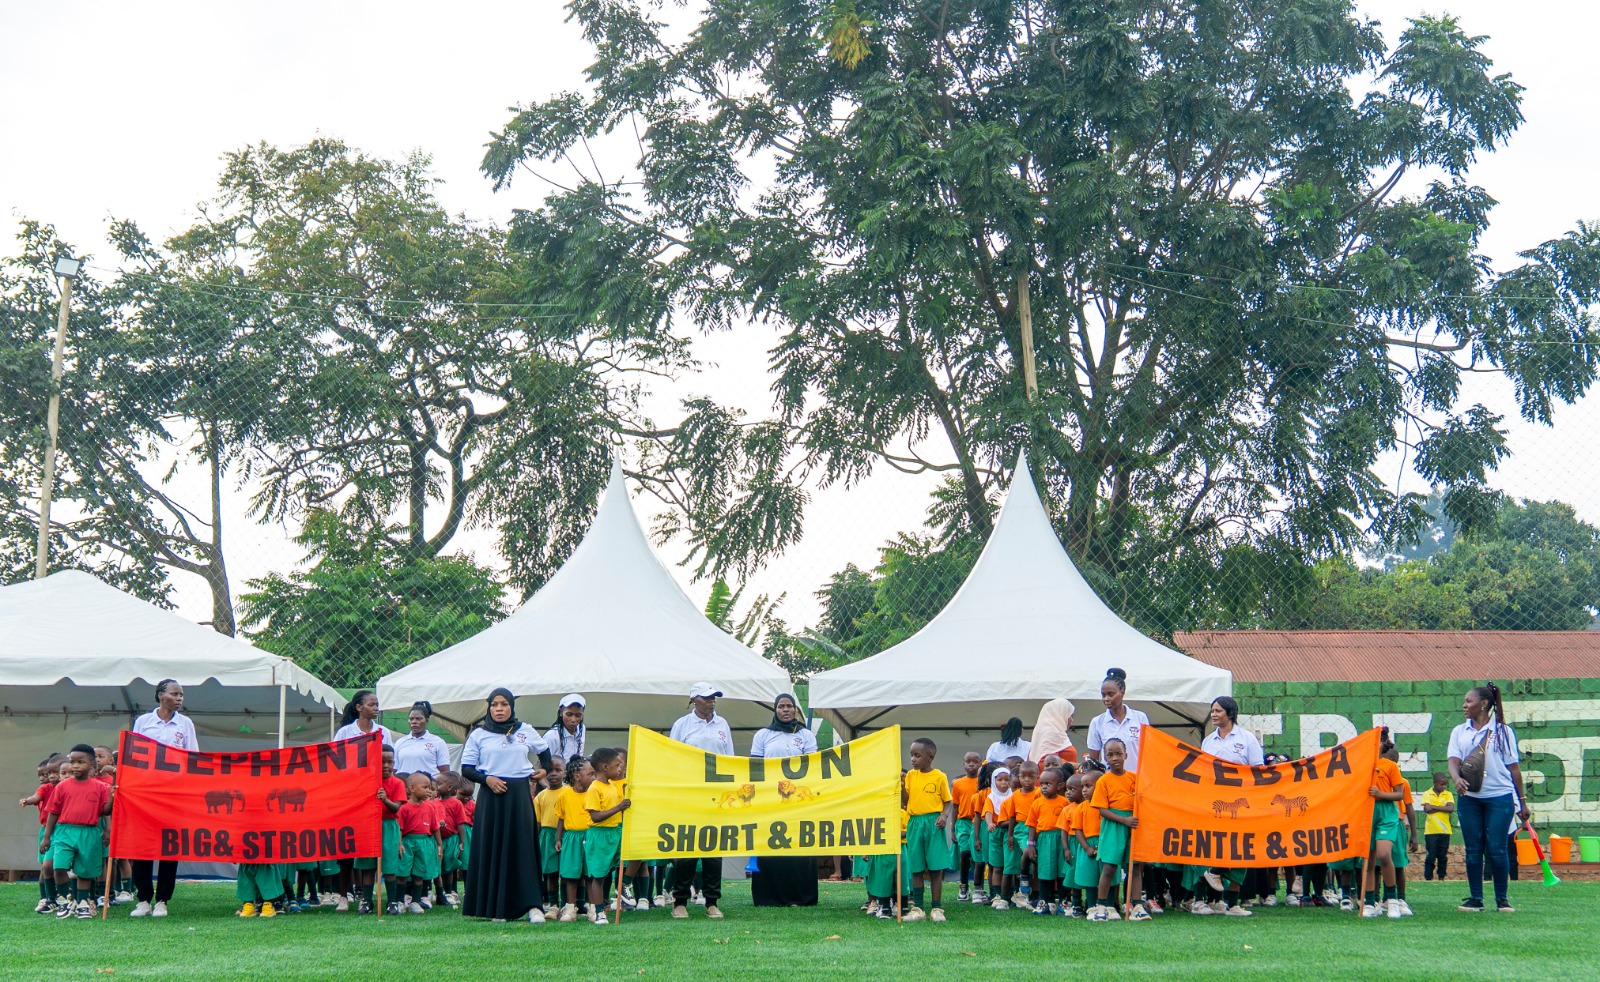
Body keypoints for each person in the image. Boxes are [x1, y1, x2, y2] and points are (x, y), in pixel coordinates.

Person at [459, 688, 552, 924]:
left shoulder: (525, 730)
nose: (499, 709)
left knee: (523, 847)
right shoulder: (479, 734)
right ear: (489, 707)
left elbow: (545, 753)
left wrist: (545, 769)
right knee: (492, 846)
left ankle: (533, 906)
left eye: (504, 704)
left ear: (512, 706)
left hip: (520, 794)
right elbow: (467, 768)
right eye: (494, 705)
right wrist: (487, 780)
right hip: (491, 796)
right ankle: (495, 907)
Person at [1448, 682, 1529, 914]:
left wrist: (1522, 801)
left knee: (1497, 849)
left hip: (1499, 797)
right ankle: (1475, 899)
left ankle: (1502, 900)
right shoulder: (1459, 731)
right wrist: (1456, 779)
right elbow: (1453, 761)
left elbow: (1514, 769)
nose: (1464, 705)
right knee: (1473, 849)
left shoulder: (1503, 731)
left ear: (1483, 704)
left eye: (1469, 701)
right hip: (1469, 797)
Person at [129, 679, 199, 918]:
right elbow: (134, 754)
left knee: (170, 845)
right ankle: (143, 899)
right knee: (143, 845)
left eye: (182, 695)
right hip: (145, 791)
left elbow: (192, 757)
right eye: (175, 694)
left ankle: (162, 900)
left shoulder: (185, 723)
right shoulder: (143, 722)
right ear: (160, 695)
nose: (179, 698)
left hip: (173, 793)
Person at [667, 682, 734, 919]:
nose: (712, 700)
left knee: (714, 851)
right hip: (689, 795)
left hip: (714, 796)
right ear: (694, 699)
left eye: (714, 696)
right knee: (687, 850)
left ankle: (712, 901)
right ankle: (680, 902)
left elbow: (729, 760)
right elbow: (673, 759)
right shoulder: (682, 725)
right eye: (707, 697)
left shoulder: (722, 723)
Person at [748, 692, 821, 907]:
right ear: (775, 710)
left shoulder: (806, 735)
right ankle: (769, 897)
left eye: (790, 706)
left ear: (796, 710)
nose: (786, 710)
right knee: (771, 846)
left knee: (798, 847)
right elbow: (755, 767)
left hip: (798, 800)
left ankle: (801, 897)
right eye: (781, 706)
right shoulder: (763, 735)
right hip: (770, 799)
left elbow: (813, 765)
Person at [1199, 695, 1262, 916]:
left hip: (1239, 802)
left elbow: (1257, 770)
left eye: (1218, 711)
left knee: (1240, 849)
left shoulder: (1246, 739)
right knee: (1216, 845)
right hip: (1216, 803)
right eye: (1212, 711)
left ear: (1230, 714)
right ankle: (1214, 900)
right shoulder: (1208, 741)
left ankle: (1233, 903)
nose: (1214, 715)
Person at [42, 745, 113, 920]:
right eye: (72, 762)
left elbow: (105, 811)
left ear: (91, 765)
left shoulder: (100, 787)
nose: (75, 766)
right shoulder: (62, 786)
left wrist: (113, 796)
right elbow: (53, 812)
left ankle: (82, 904)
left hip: (89, 832)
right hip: (65, 832)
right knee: (59, 867)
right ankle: (65, 901)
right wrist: (46, 837)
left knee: (85, 871)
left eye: (81, 762)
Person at [899, 737, 955, 922]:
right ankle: (918, 909)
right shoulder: (910, 776)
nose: (913, 759)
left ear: (930, 757)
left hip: (933, 823)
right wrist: (900, 787)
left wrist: (944, 816)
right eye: (911, 755)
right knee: (916, 867)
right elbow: (906, 802)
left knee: (935, 868)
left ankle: (937, 908)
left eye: (917, 755)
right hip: (914, 822)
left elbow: (948, 802)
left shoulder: (939, 776)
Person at [351, 747, 404, 913]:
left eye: (390, 762)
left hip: (388, 827)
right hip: (369, 826)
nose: (386, 765)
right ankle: (367, 902)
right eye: (382, 762)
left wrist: (384, 799)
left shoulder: (398, 783)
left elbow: (396, 808)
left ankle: (392, 902)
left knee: (389, 868)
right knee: (368, 867)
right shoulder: (367, 781)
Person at [584, 747, 630, 925]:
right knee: (599, 875)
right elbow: (595, 816)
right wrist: (619, 807)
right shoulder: (595, 788)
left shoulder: (611, 785)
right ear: (604, 767)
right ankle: (599, 911)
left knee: (615, 869)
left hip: (615, 831)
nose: (620, 769)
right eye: (617, 766)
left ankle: (622, 891)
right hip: (600, 835)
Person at [1363, 727, 1405, 919]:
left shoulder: (1390, 766)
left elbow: (1399, 793)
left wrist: (1380, 795)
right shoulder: (1360, 765)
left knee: (1384, 854)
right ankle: (1370, 903)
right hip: (1366, 813)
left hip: (1386, 812)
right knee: (1368, 860)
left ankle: (1393, 901)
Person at [394, 773, 443, 914]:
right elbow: (400, 829)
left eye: (430, 788)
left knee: (419, 874)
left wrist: (439, 845)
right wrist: (399, 844)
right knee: (403, 874)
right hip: (408, 843)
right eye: (425, 787)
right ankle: (399, 901)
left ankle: (416, 901)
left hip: (425, 844)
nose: (429, 791)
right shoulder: (404, 807)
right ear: (412, 788)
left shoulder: (430, 808)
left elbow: (435, 828)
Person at [1085, 668, 1151, 773]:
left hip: (1135, 781)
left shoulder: (1140, 718)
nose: (1106, 699)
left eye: (1111, 694)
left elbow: (1148, 753)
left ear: (1122, 693)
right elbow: (1094, 761)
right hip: (1110, 783)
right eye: (1103, 695)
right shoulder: (1097, 722)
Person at [1023, 766, 1069, 915]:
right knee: (1044, 871)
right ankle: (1044, 902)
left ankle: (1063, 902)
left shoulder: (1064, 802)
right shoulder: (1037, 803)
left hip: (1061, 838)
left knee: (1062, 871)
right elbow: (1032, 825)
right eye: (1041, 784)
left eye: (1048, 784)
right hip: (1044, 839)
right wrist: (1031, 844)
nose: (1043, 787)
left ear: (1060, 786)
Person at [555, 756, 594, 921]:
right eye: (590, 774)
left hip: (590, 835)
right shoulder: (565, 796)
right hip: (571, 838)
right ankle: (570, 908)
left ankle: (594, 907)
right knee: (570, 874)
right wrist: (558, 838)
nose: (594, 778)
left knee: (591, 874)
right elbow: (561, 819)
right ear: (577, 776)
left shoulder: (594, 793)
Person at [22, 757, 61, 913]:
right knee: (46, 866)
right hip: (46, 831)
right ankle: (46, 897)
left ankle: (69, 897)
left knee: (61, 867)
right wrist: (27, 800)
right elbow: (35, 797)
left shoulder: (65, 787)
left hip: (64, 831)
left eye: (50, 773)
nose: (44, 778)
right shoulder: (45, 788)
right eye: (43, 774)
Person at [534, 759, 567, 908]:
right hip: (547, 837)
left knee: (567, 871)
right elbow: (538, 822)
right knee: (550, 872)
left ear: (565, 773)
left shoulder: (568, 792)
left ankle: (570, 903)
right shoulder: (541, 796)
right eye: (550, 771)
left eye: (558, 770)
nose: (553, 774)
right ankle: (553, 904)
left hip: (566, 835)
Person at [952, 751, 982, 902]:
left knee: (978, 856)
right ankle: (963, 885)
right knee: (964, 853)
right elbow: (955, 807)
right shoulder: (958, 783)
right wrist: (952, 828)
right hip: (963, 823)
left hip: (978, 822)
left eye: (975, 761)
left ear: (980, 764)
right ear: (963, 764)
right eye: (968, 761)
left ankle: (979, 887)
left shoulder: (983, 782)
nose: (971, 764)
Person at [981, 765, 1012, 907]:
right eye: (1000, 780)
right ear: (994, 781)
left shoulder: (1012, 796)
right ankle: (996, 894)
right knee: (997, 865)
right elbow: (988, 812)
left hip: (1009, 831)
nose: (1004, 783)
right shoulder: (991, 797)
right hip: (996, 832)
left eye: (1007, 780)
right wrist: (989, 823)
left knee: (1009, 865)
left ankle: (1010, 894)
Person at [393, 702, 451, 777]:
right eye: (411, 719)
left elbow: (445, 772)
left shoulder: (438, 742)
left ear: (426, 721)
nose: (414, 722)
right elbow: (394, 770)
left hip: (428, 787)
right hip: (404, 787)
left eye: (418, 719)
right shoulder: (400, 742)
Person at [1029, 699, 1079, 767]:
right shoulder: (1051, 733)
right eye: (1070, 716)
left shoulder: (1057, 732)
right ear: (1060, 715)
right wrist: (1078, 766)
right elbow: (1046, 762)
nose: (1072, 720)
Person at [543, 694, 588, 762]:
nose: (573, 720)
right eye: (569, 714)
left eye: (578, 715)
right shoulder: (551, 736)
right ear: (561, 712)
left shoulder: (581, 729)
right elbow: (544, 763)